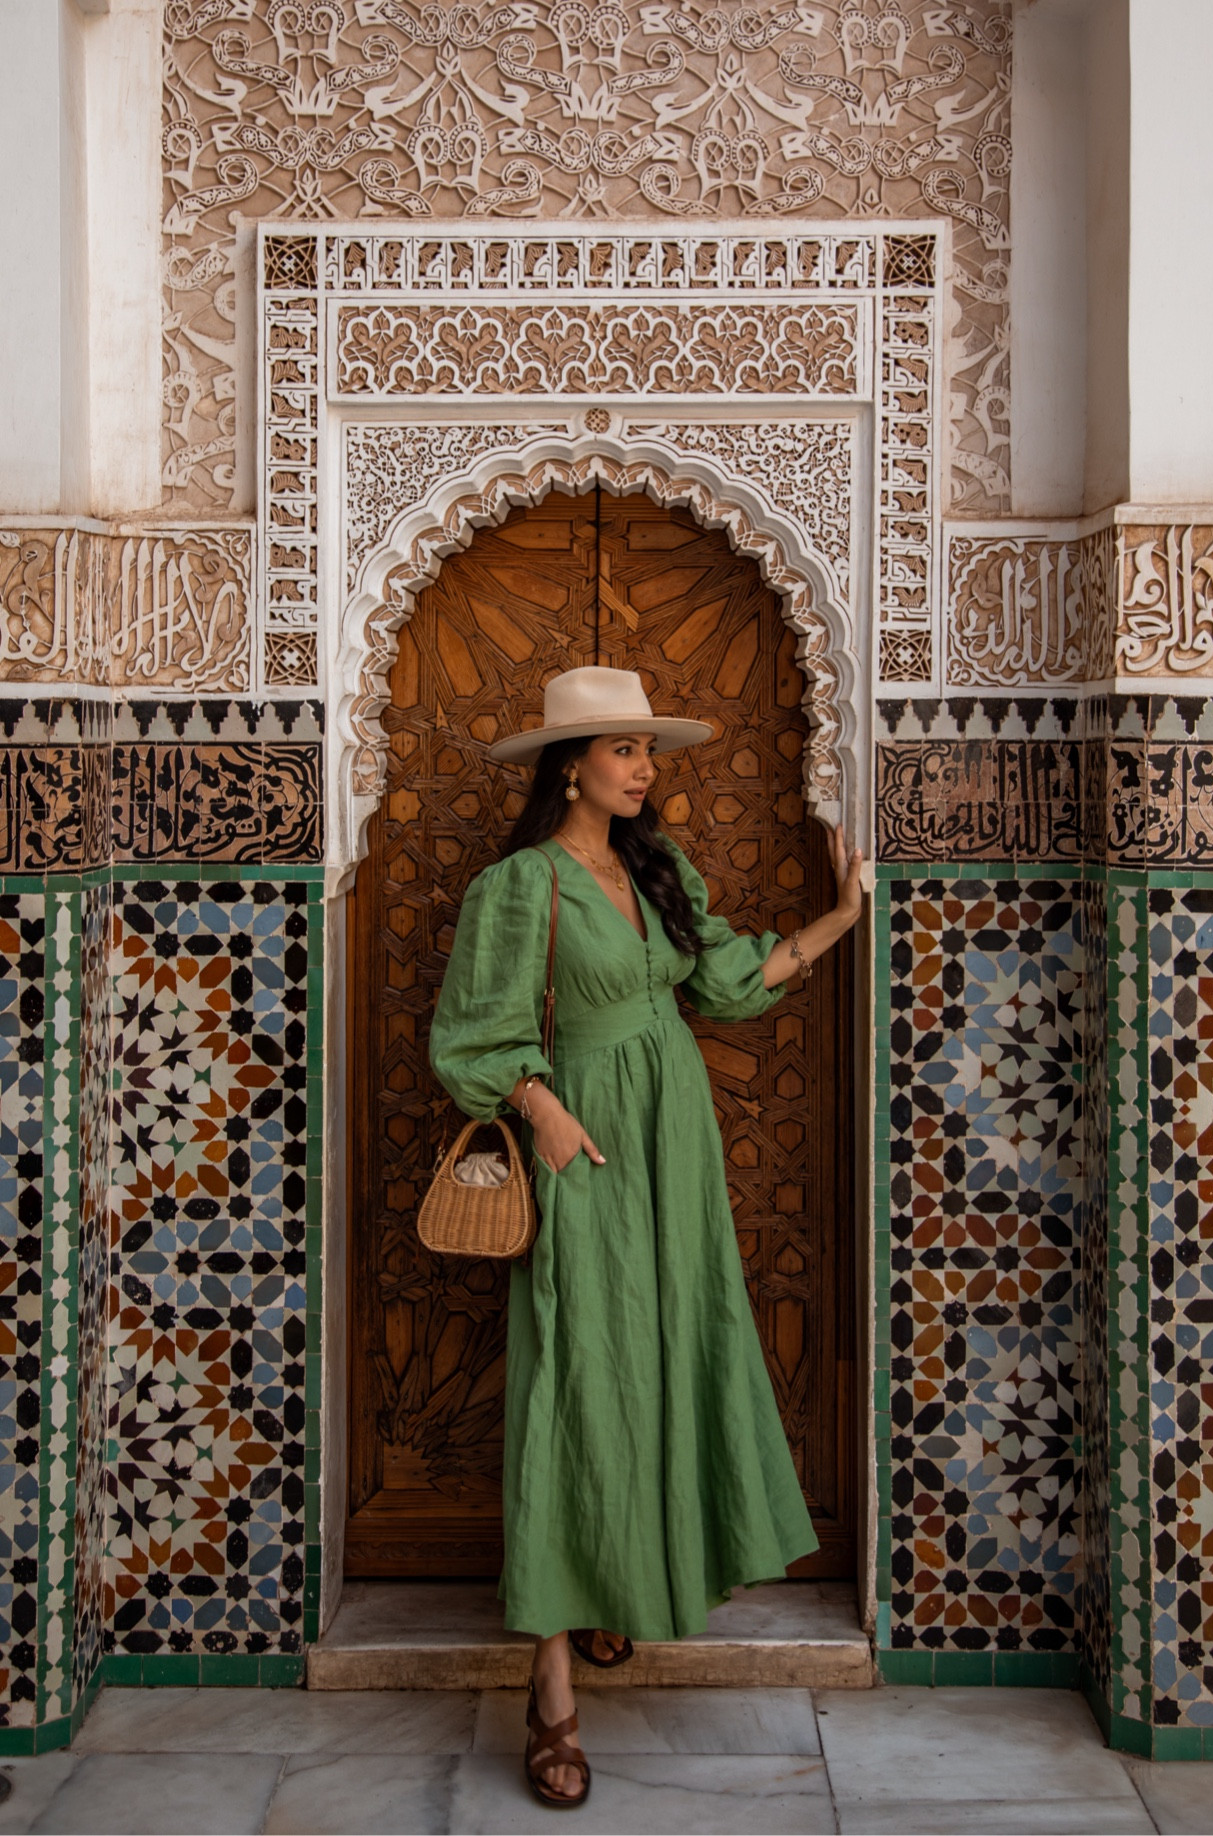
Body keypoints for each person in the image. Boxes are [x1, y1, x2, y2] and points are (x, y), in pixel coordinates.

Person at [428, 666, 865, 1807]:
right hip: (587, 1148)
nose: (642, 767)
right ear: (568, 764)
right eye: (622, 749)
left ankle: (630, 1582)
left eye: (645, 750)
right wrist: (550, 1118)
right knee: (575, 1379)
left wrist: (833, 920)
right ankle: (552, 1687)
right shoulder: (521, 886)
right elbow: (473, 1035)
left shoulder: (656, 870)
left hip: (674, 1142)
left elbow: (722, 983)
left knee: (671, 1353)